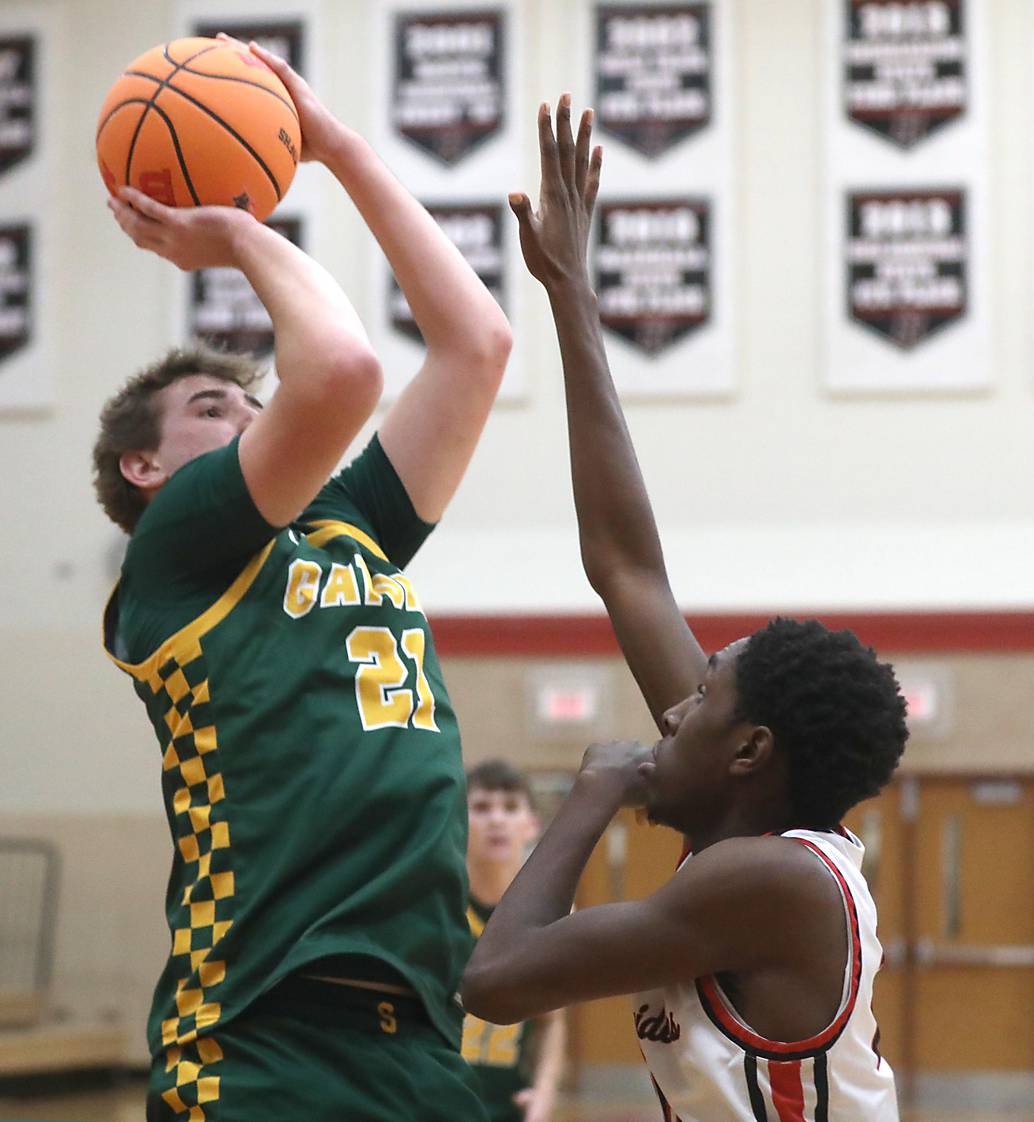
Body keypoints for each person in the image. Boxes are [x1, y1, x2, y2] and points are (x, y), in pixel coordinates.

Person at [462, 96, 908, 1122]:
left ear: (749, 750)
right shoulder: (746, 814)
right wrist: (570, 294)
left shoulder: (765, 882)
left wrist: (591, 792)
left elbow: (497, 977)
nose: (672, 707)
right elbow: (627, 567)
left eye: (701, 694)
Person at [94, 37, 511, 1122]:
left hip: (423, 1027)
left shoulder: (347, 526)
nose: (246, 413)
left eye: (247, 401)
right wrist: (234, 229)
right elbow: (343, 372)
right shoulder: (176, 552)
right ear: (146, 468)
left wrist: (334, 146)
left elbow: (475, 344)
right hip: (258, 1033)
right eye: (209, 409)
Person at [463, 761, 567, 1122]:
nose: (496, 820)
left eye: (510, 808)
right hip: (438, 1100)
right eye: (481, 808)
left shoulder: (543, 915)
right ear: (459, 823)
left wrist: (544, 1091)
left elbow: (551, 1021)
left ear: (531, 824)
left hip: (508, 1106)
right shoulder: (440, 906)